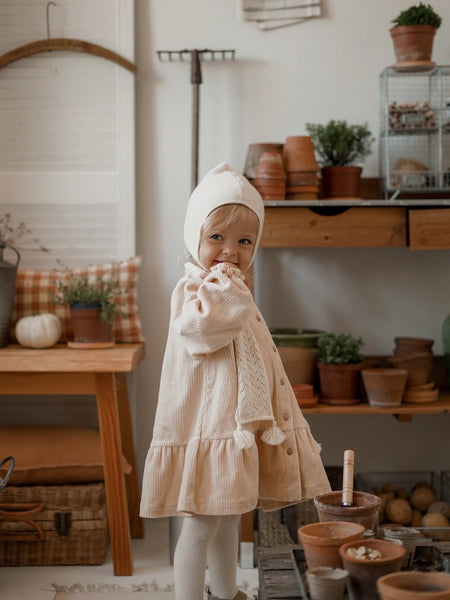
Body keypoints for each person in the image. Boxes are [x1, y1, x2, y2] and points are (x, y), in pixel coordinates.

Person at [140, 163, 331, 600]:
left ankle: (225, 595)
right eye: (217, 239)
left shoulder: (233, 290)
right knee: (202, 524)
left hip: (236, 430)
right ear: (196, 238)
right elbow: (202, 330)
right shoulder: (195, 290)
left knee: (231, 517)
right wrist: (229, 289)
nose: (230, 251)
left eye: (244, 241)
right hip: (208, 431)